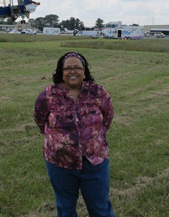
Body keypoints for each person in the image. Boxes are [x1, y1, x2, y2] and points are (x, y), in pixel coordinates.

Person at [34, 52, 116, 217]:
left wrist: (94, 137)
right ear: (61, 72)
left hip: (95, 162)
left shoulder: (98, 92)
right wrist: (57, 140)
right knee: (66, 209)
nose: (73, 72)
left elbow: (108, 117)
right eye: (68, 68)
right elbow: (40, 119)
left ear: (84, 71)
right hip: (60, 163)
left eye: (77, 68)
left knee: (101, 209)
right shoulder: (49, 95)